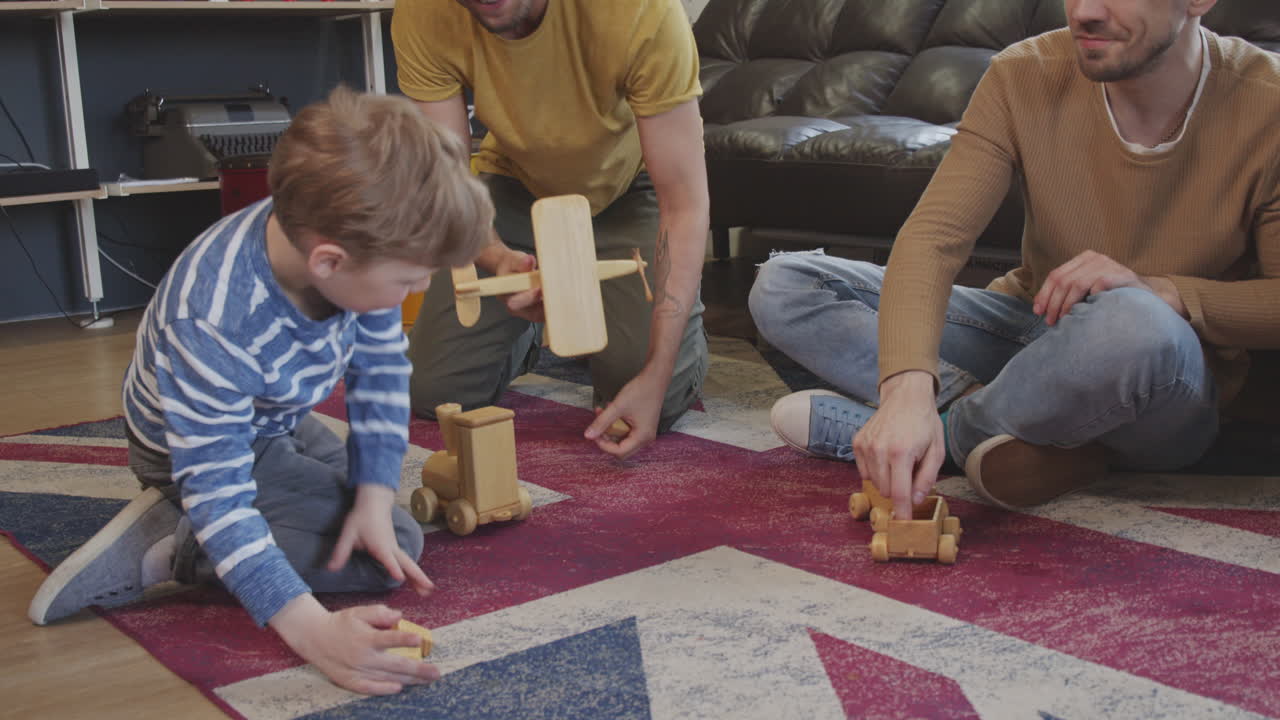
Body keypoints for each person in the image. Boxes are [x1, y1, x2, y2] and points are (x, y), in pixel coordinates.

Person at [28, 87, 494, 696]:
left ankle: (210, 521)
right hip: (192, 447)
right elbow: (222, 490)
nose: (420, 287)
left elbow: (379, 373)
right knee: (391, 551)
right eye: (410, 279)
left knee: (380, 518)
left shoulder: (356, 243)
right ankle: (177, 550)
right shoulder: (213, 320)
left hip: (276, 419)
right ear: (328, 263)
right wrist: (314, 631)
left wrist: (375, 496)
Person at [749, 0, 1280, 521]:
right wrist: (906, 391)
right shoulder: (1022, 73)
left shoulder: (1268, 102)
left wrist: (1161, 289)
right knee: (786, 282)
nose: (1084, 12)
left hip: (1165, 376)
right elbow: (934, 238)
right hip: (1032, 328)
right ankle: (1042, 443)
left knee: (1134, 320)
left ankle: (951, 436)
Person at [391, 0, 710, 459]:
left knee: (645, 401)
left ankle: (681, 337)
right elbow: (448, 180)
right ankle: (533, 331)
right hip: (514, 184)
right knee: (436, 394)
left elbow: (684, 204)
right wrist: (499, 258)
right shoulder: (422, 12)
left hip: (628, 189)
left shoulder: (643, 10)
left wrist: (659, 373)